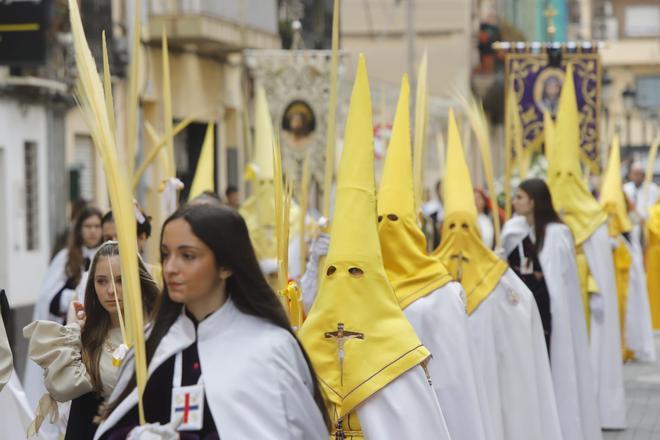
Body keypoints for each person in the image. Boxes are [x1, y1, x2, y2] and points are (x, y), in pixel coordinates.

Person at [299, 57, 451, 439]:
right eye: (334, 273)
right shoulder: (299, 353)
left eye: (356, 272)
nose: (343, 282)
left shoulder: (400, 358)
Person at [94, 204, 329, 439]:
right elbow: (112, 429)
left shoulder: (269, 347)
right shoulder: (153, 345)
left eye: (188, 256)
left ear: (226, 266)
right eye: (166, 254)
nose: (170, 268)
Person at [434, 110, 562, 440]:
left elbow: (524, 316)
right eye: (452, 228)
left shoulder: (499, 277)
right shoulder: (429, 278)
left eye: (466, 227)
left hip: (492, 376)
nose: (459, 236)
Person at [377, 77, 490, 440]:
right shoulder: (366, 285)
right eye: (379, 222)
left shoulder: (443, 292)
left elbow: (458, 376)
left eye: (394, 221)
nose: (386, 230)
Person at [546, 64, 626, 429]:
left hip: (587, 304)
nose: (561, 183)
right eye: (555, 177)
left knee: (585, 356)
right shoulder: (539, 221)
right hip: (553, 301)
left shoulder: (593, 219)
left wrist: (595, 288)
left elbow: (601, 270)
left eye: (567, 176)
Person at [24, 241, 160, 439]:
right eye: (102, 281)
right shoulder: (89, 337)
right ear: (92, 284)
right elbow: (63, 387)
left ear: (136, 278)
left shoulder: (157, 329)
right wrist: (72, 330)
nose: (111, 291)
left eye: (121, 280)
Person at [501, 178, 602, 440]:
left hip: (549, 317)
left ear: (534, 201)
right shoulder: (512, 231)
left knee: (553, 368)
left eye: (520, 197)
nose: (514, 202)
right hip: (521, 317)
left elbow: (560, 284)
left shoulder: (558, 234)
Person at [25, 206, 104, 408]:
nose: (93, 231)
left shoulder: (107, 255)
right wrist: (77, 295)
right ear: (79, 229)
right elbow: (48, 298)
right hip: (71, 334)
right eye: (88, 226)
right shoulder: (66, 257)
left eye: (97, 226)